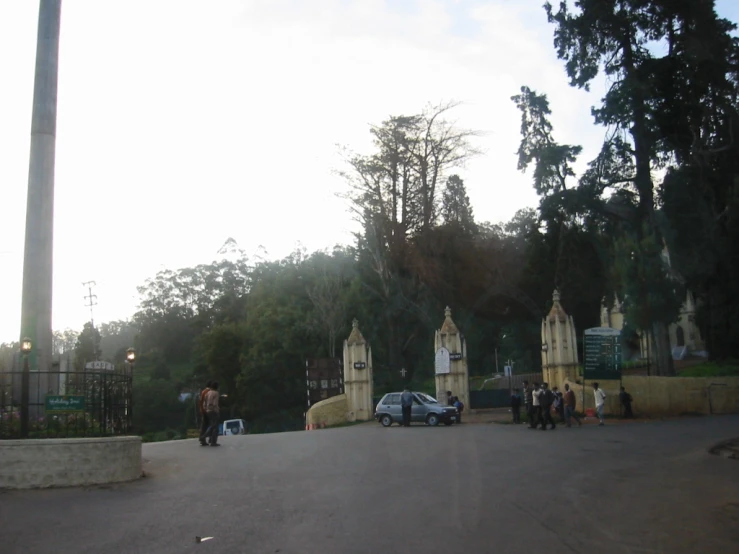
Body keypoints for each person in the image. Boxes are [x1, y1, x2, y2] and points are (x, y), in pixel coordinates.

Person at [203, 381, 221, 445]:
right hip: (213, 410)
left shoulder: (207, 393)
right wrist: (217, 410)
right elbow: (215, 403)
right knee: (215, 427)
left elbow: (204, 402)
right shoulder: (216, 393)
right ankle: (213, 441)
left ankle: (207, 436)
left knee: (212, 425)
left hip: (208, 410)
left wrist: (206, 408)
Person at [198, 381, 212, 446]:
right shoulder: (209, 392)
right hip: (208, 410)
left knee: (204, 425)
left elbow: (200, 401)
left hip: (203, 410)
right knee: (212, 425)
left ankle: (202, 438)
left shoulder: (203, 391)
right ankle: (209, 438)